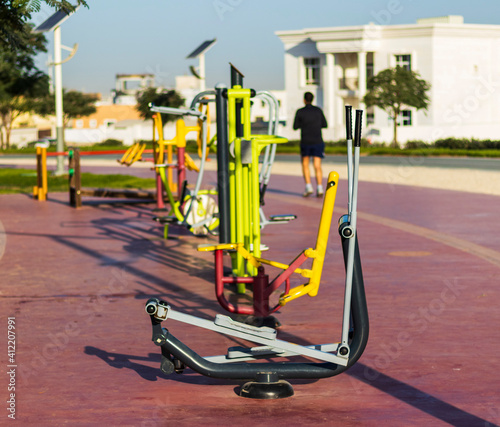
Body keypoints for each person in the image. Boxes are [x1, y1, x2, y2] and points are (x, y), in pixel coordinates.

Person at [293, 92, 328, 197]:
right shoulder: (318, 110)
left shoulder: (300, 111)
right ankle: (320, 187)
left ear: (304, 100)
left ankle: (308, 186)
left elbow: (295, 126)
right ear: (313, 99)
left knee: (305, 164)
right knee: (317, 165)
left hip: (306, 141)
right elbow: (324, 124)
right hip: (317, 140)